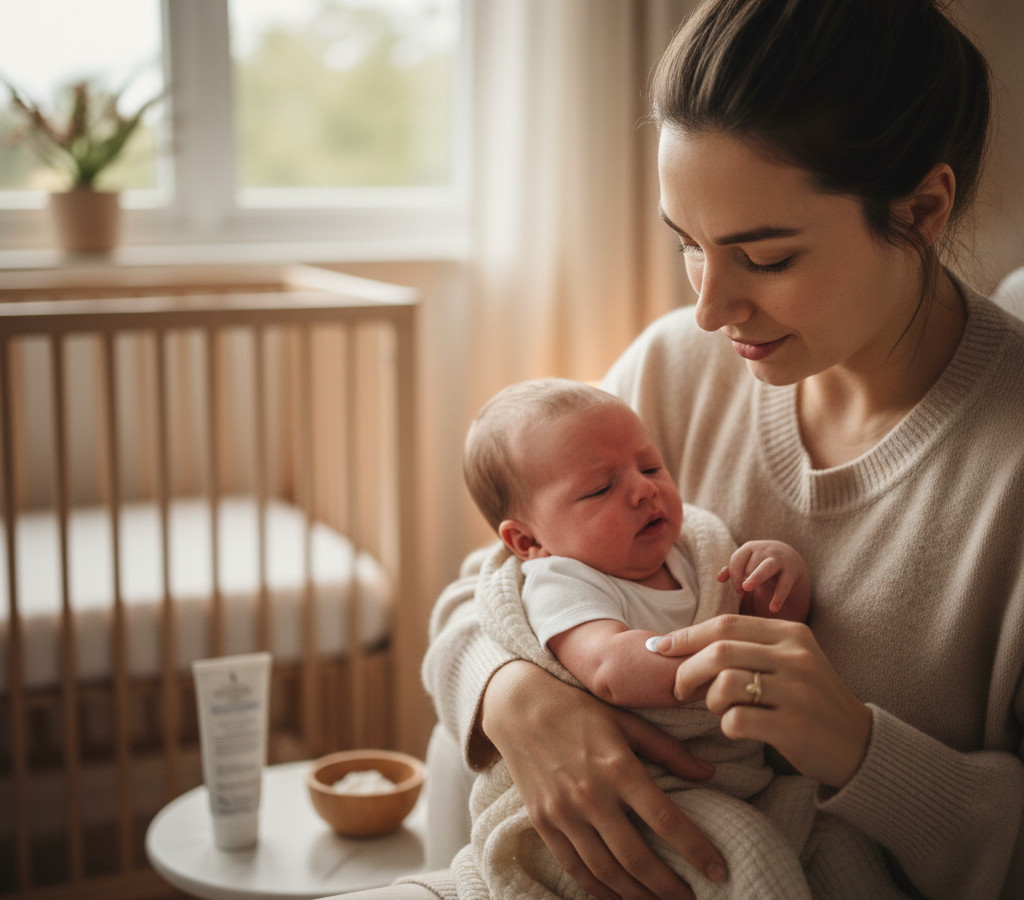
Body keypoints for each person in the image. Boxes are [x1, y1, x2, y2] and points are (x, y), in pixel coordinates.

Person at [411, 1, 1024, 899]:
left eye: (766, 259)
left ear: (923, 209)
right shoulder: (677, 365)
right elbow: (489, 587)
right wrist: (511, 695)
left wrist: (858, 748)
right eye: (688, 244)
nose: (708, 310)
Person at [455, 378, 907, 897]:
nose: (644, 489)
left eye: (650, 467)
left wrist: (780, 580)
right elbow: (608, 668)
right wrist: (720, 666)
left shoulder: (696, 548)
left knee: (841, 839)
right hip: (638, 790)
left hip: (733, 778)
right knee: (751, 856)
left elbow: (768, 633)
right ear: (527, 540)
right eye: (600, 489)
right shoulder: (562, 580)